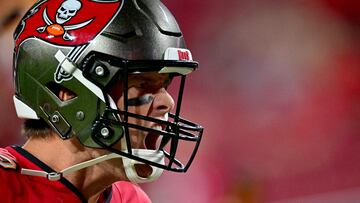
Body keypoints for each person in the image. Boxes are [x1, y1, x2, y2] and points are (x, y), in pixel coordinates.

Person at [0, 0, 203, 202]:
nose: (168, 102)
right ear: (67, 93)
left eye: (164, 85)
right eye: (142, 83)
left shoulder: (131, 199)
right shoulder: (5, 185)